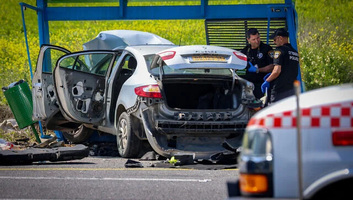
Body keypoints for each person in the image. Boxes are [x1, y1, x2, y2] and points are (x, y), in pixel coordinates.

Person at [261, 28, 299, 103]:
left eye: (275, 39)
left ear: (280, 38)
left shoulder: (279, 50)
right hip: (291, 90)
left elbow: (277, 71)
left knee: (274, 112)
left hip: (279, 90)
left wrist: (267, 81)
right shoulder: (295, 52)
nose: (274, 42)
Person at [241, 28, 274, 100]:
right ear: (248, 39)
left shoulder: (267, 49)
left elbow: (272, 66)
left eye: (258, 38)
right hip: (249, 85)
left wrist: (257, 70)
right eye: (253, 39)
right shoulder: (245, 51)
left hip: (262, 83)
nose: (256, 41)